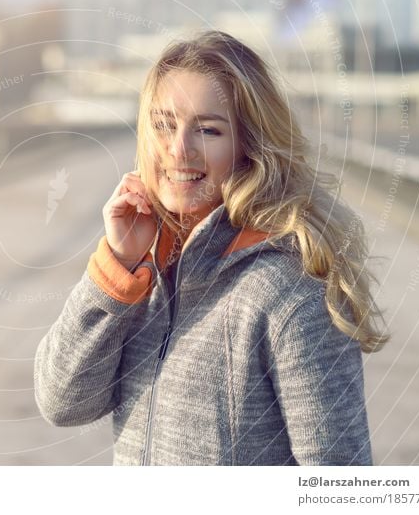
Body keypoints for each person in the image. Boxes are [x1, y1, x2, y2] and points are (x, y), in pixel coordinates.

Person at [33, 30, 388, 466]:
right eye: (164, 125)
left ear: (249, 147)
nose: (179, 149)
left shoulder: (290, 293)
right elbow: (62, 402)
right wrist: (118, 267)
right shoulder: (148, 271)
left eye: (208, 129)